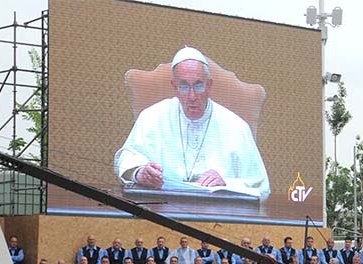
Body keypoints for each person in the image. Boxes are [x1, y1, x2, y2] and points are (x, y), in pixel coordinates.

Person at [114, 47, 269, 197]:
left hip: (218, 213)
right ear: (174, 87)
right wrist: (139, 172)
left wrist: (226, 183)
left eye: (199, 85)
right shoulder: (152, 117)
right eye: (184, 86)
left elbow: (260, 187)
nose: (192, 96)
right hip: (163, 208)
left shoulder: (236, 127)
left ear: (209, 85)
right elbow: (127, 158)